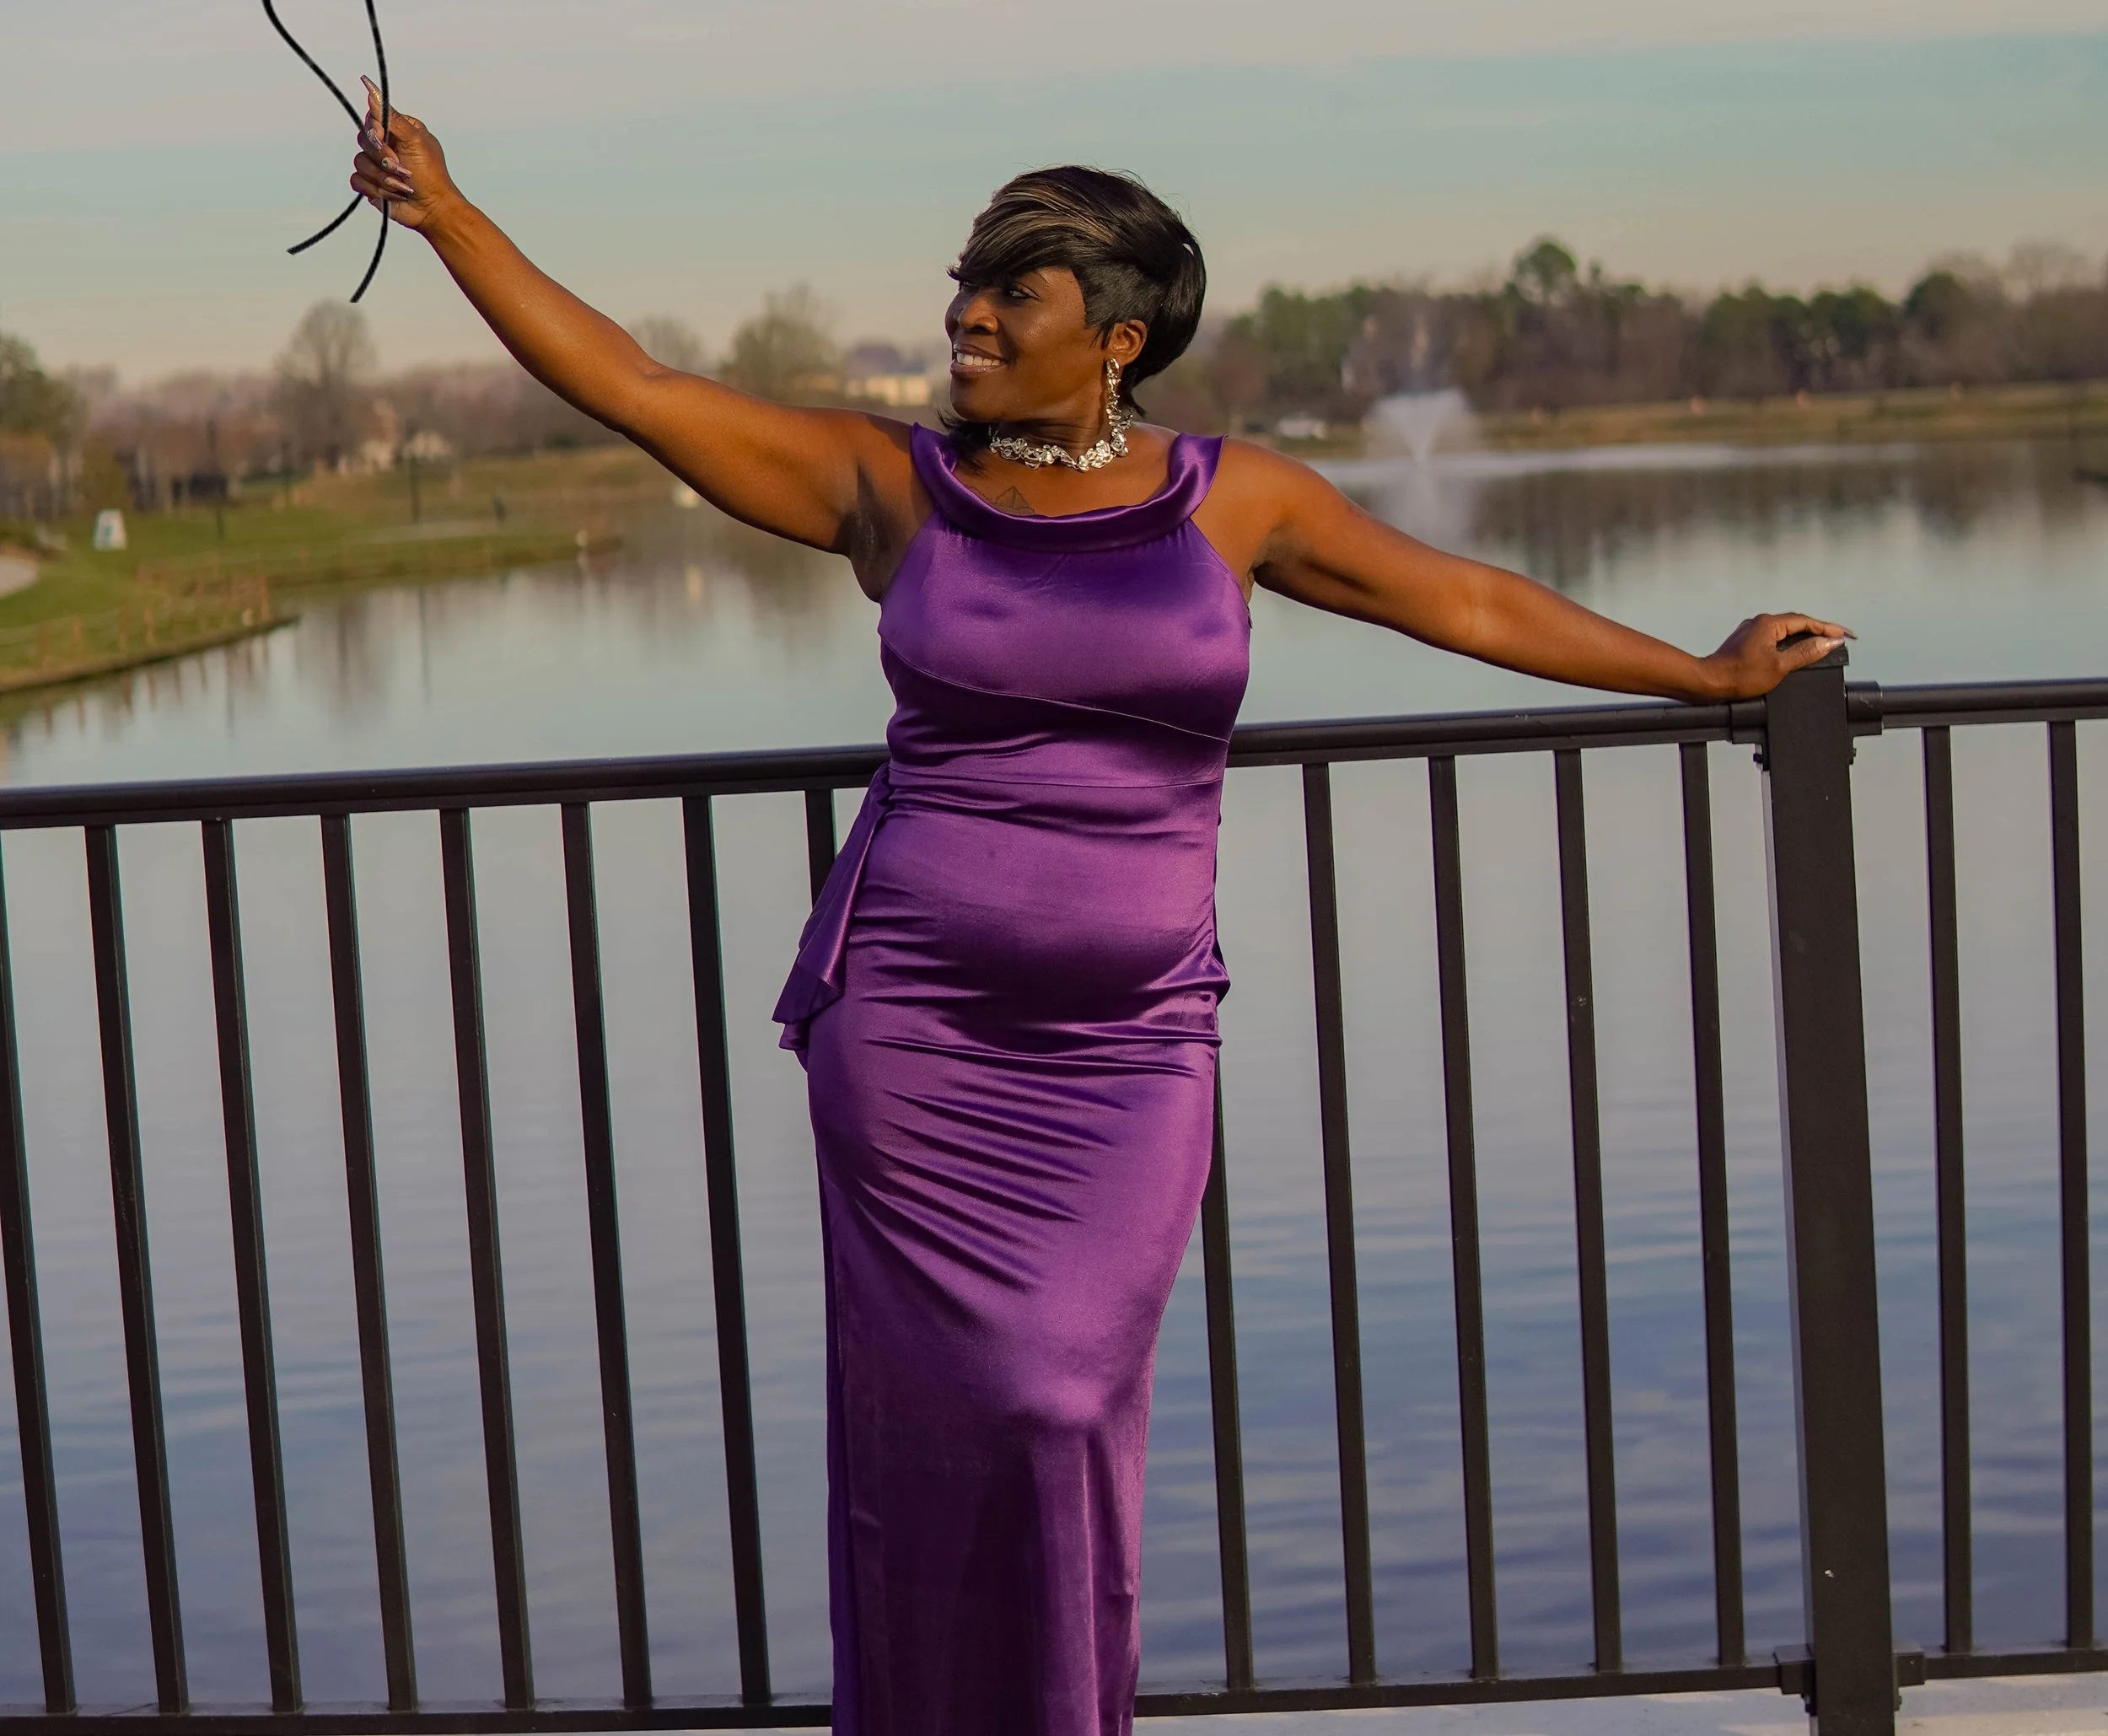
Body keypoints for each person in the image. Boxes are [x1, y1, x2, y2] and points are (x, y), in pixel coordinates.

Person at [349, 91, 1842, 1736]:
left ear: (1117, 338)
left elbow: (1459, 594)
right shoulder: (891, 485)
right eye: (967, 283)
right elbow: (632, 385)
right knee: (936, 1419)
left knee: (1056, 1397)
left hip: (1127, 1052)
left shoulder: (1233, 499)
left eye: (1015, 292)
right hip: (911, 1035)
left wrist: (1697, 674)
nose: (967, 315)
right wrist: (450, 215)